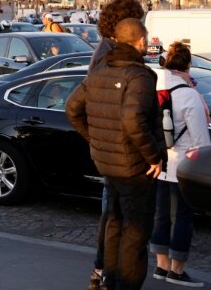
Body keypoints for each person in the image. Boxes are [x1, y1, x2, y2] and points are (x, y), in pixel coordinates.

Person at [66, 18, 165, 290]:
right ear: (141, 41)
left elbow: (71, 109)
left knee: (113, 223)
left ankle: (109, 279)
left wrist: (95, 140)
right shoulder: (140, 76)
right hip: (135, 168)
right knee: (135, 233)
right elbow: (133, 119)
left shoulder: (98, 71)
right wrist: (154, 156)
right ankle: (126, 285)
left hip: (107, 163)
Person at [87, 0, 147, 288]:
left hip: (110, 147)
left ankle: (104, 271)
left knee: (113, 215)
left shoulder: (107, 50)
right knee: (117, 218)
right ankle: (105, 271)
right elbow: (123, 112)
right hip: (118, 151)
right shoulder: (108, 55)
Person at [149, 42, 210, 287]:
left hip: (158, 164)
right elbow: (200, 140)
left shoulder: (155, 89)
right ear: (187, 64)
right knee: (182, 218)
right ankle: (177, 270)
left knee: (161, 216)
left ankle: (161, 266)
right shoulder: (189, 95)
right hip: (183, 167)